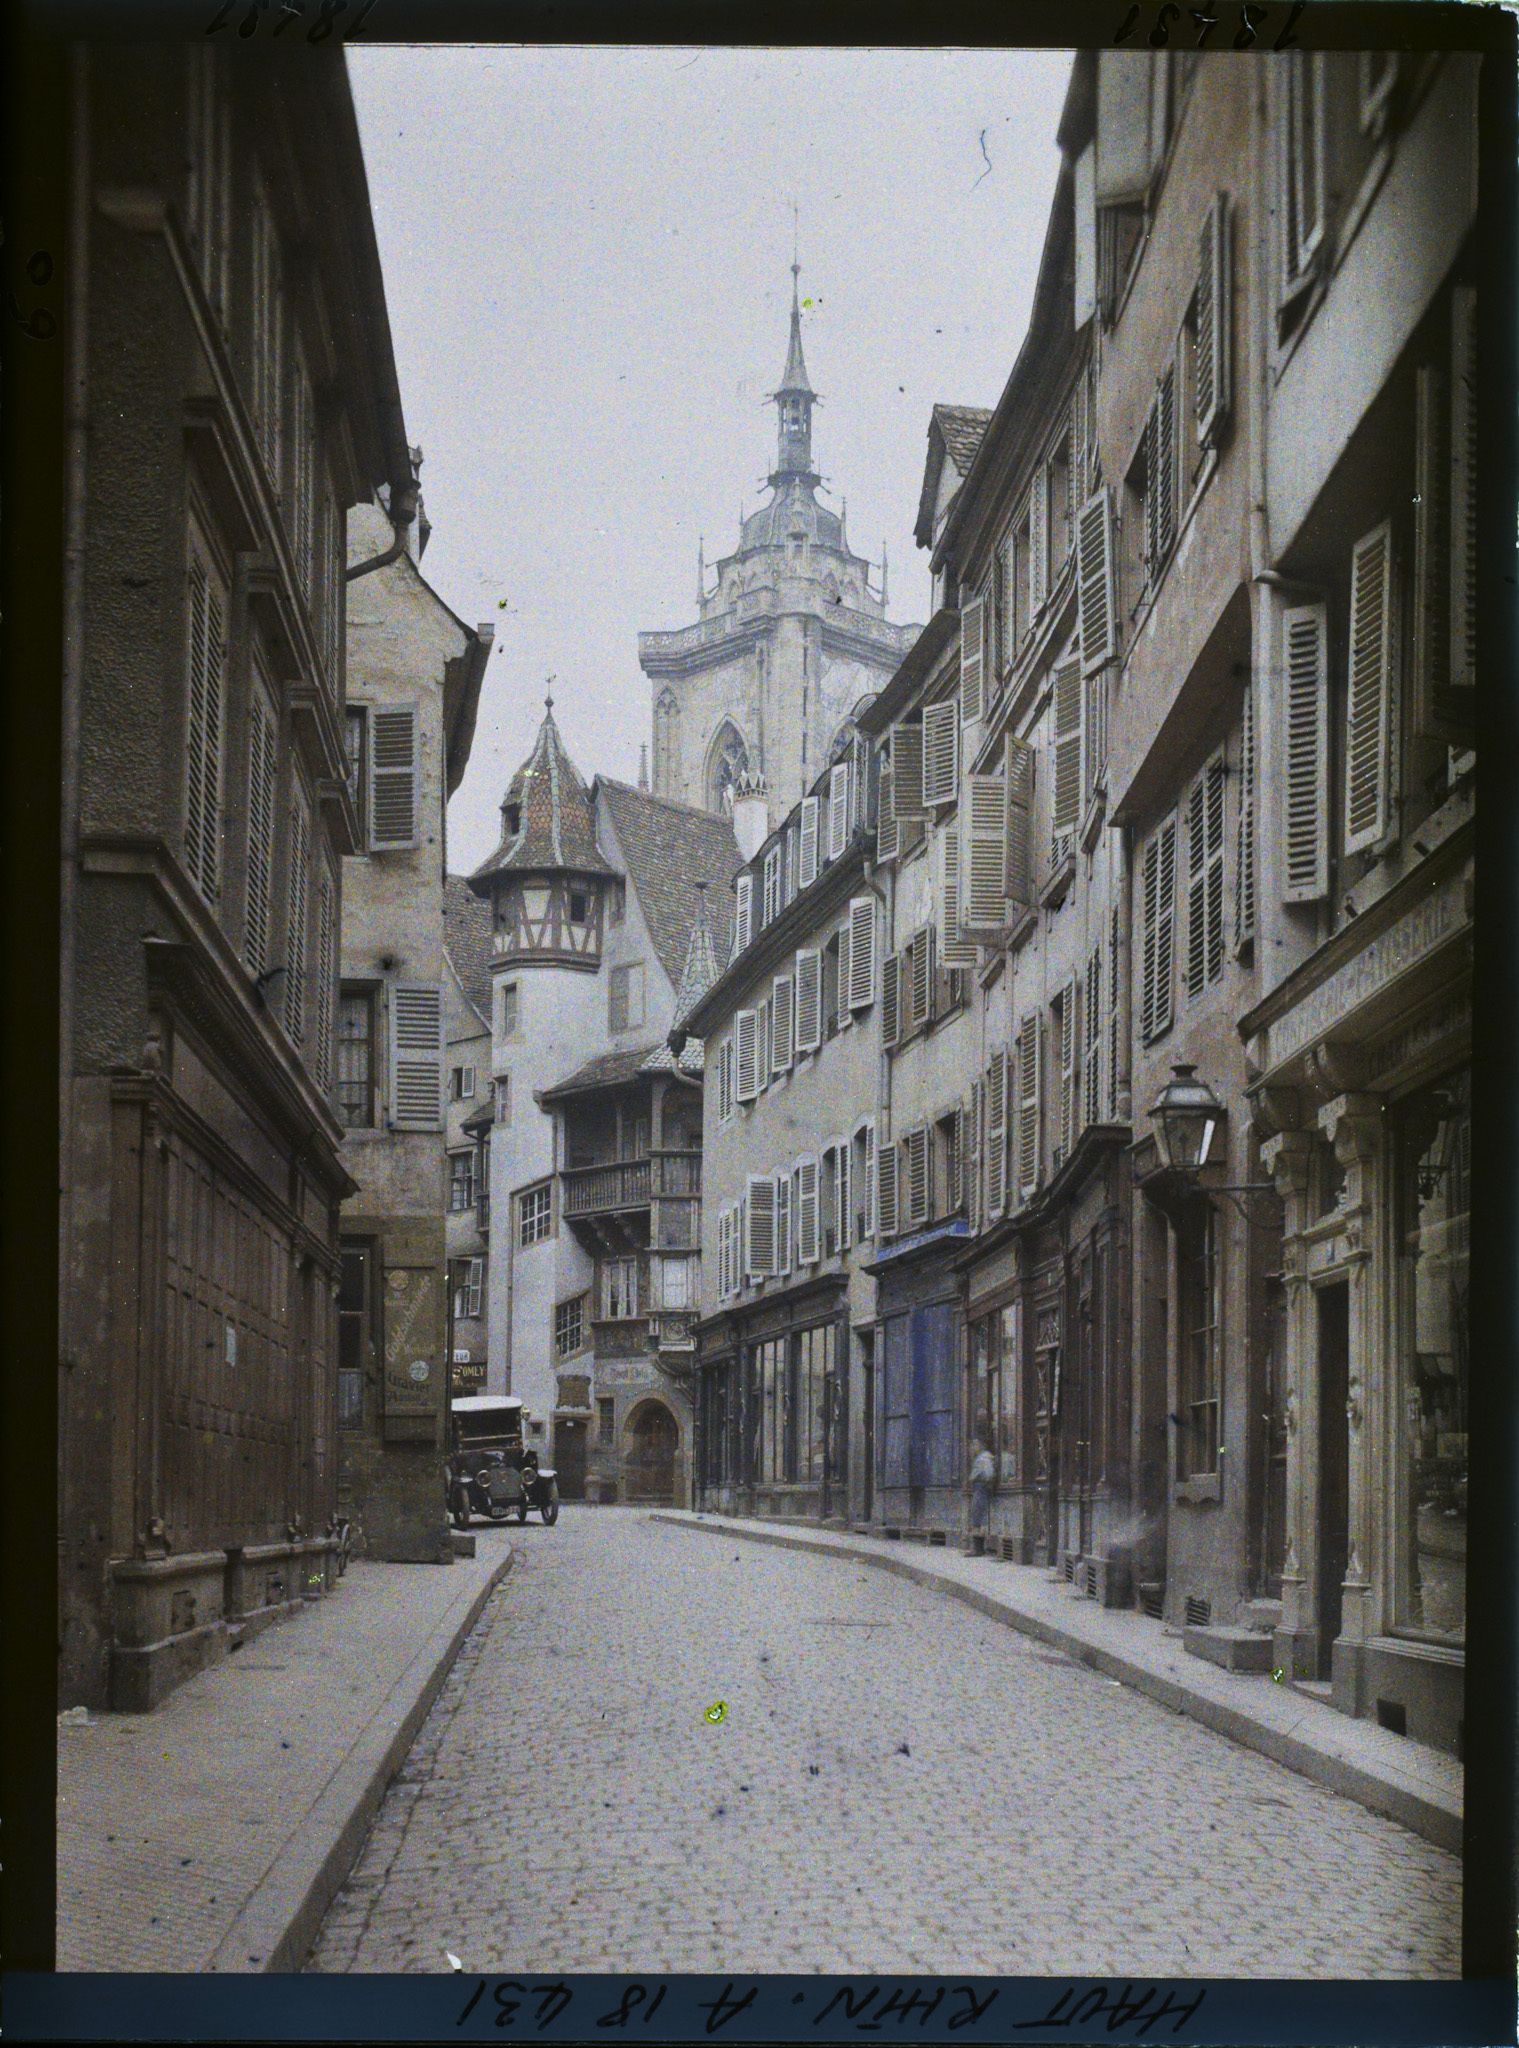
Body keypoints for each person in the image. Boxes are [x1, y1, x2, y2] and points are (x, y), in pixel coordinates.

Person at [966, 1423, 995, 1552]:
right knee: (977, 1516)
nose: (972, 1448)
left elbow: (989, 1474)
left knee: (978, 1516)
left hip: (980, 1489)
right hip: (979, 1489)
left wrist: (985, 1484)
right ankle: (978, 1548)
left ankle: (978, 1549)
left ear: (980, 1445)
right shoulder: (981, 1457)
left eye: (974, 1444)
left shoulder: (983, 1458)